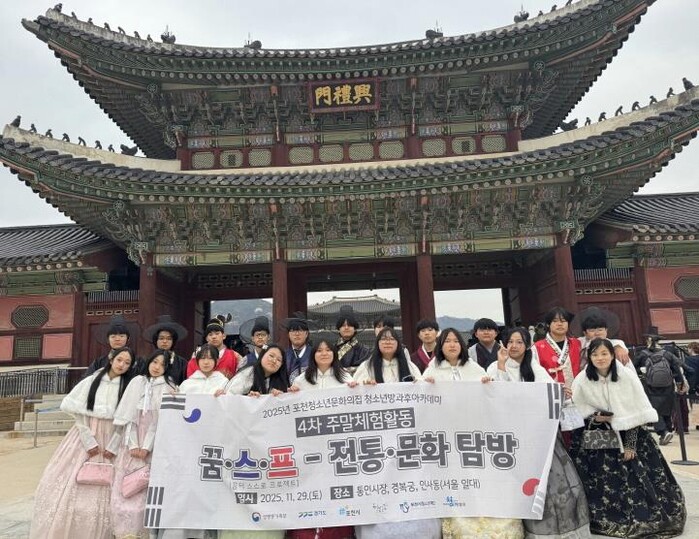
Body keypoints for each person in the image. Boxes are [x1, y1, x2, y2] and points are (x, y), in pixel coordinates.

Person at [570, 338, 686, 538]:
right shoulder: (582, 379)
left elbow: (636, 412)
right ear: (589, 357)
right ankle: (605, 517)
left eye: (604, 353)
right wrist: (595, 417)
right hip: (599, 437)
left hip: (631, 434)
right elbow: (577, 410)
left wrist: (631, 445)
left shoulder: (627, 377)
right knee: (601, 479)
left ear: (612, 355)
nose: (600, 358)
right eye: (595, 354)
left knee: (638, 475)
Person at [484, 328, 591, 539]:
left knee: (552, 483)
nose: (514, 346)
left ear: (527, 346)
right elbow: (495, 396)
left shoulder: (535, 368)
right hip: (509, 436)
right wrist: (502, 366)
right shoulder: (493, 367)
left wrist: (560, 392)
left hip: (538, 434)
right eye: (510, 341)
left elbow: (549, 392)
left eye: (519, 342)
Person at [30, 347, 135, 539]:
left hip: (113, 437)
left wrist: (113, 444)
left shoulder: (127, 388)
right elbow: (78, 414)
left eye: (127, 363)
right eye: (119, 360)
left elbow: (124, 420)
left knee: (107, 484)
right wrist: (88, 440)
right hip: (85, 434)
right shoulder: (91, 381)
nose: (122, 365)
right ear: (111, 358)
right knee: (72, 482)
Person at [353, 327, 438, 539]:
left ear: (398, 343)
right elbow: (353, 393)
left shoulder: (408, 365)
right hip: (377, 435)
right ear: (377, 343)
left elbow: (421, 394)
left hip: (406, 434)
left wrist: (426, 385)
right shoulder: (367, 366)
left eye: (392, 339)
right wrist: (364, 386)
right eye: (383, 339)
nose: (388, 342)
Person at [287, 340, 355, 539]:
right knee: (312, 485)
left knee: (336, 485)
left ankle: (338, 530)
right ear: (313, 355)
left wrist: (357, 391)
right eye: (319, 350)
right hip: (310, 445)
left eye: (328, 350)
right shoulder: (302, 380)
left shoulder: (345, 377)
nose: (324, 353)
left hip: (337, 444)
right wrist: (292, 394)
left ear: (334, 354)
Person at [111, 350, 178, 539]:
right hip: (130, 442)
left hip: (153, 446)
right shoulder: (137, 382)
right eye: (154, 362)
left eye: (162, 364)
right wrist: (133, 444)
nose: (157, 367)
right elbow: (128, 415)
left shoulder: (169, 386)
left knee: (146, 489)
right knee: (125, 487)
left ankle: (144, 532)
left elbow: (159, 422)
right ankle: (122, 531)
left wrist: (147, 446)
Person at [634, 330, 686, 445]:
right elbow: (676, 370)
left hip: (650, 385)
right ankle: (667, 432)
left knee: (654, 409)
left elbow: (633, 368)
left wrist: (642, 371)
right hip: (668, 385)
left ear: (648, 341)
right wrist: (680, 384)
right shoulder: (667, 354)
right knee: (666, 408)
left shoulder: (642, 354)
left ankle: (663, 432)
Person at [224, 345, 290, 397]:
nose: (274, 361)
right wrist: (248, 398)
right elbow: (231, 396)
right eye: (271, 356)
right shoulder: (248, 373)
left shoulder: (280, 380)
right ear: (262, 355)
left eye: (279, 360)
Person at [144, 314, 189, 385]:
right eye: (161, 338)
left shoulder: (182, 363)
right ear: (156, 340)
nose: (165, 341)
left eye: (169, 338)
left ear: (173, 341)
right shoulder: (147, 361)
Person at [335, 305, 371, 373]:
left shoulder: (365, 351)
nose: (346, 328)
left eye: (350, 325)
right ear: (338, 329)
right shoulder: (331, 350)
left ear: (355, 329)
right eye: (343, 325)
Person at [283, 313, 313, 382]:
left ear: (306, 334)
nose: (297, 334)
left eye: (300, 330)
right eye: (293, 331)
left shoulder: (314, 353)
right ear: (288, 334)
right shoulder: (283, 355)